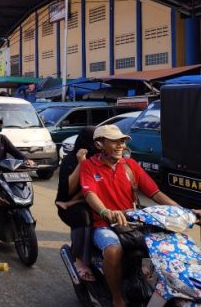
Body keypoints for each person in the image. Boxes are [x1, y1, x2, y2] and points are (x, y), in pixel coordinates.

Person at [80, 124, 201, 307]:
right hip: (105, 224)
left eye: (122, 141)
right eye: (114, 141)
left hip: (136, 222)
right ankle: (117, 298)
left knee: (171, 246)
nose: (120, 145)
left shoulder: (130, 165)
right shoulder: (89, 167)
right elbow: (90, 195)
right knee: (113, 250)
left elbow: (155, 193)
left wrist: (184, 212)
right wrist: (106, 211)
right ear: (99, 145)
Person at [55, 126, 98, 282]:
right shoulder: (70, 159)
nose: (97, 145)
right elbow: (68, 191)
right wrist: (82, 163)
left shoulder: (100, 157)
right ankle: (80, 257)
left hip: (93, 198)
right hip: (68, 203)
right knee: (84, 216)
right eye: (94, 142)